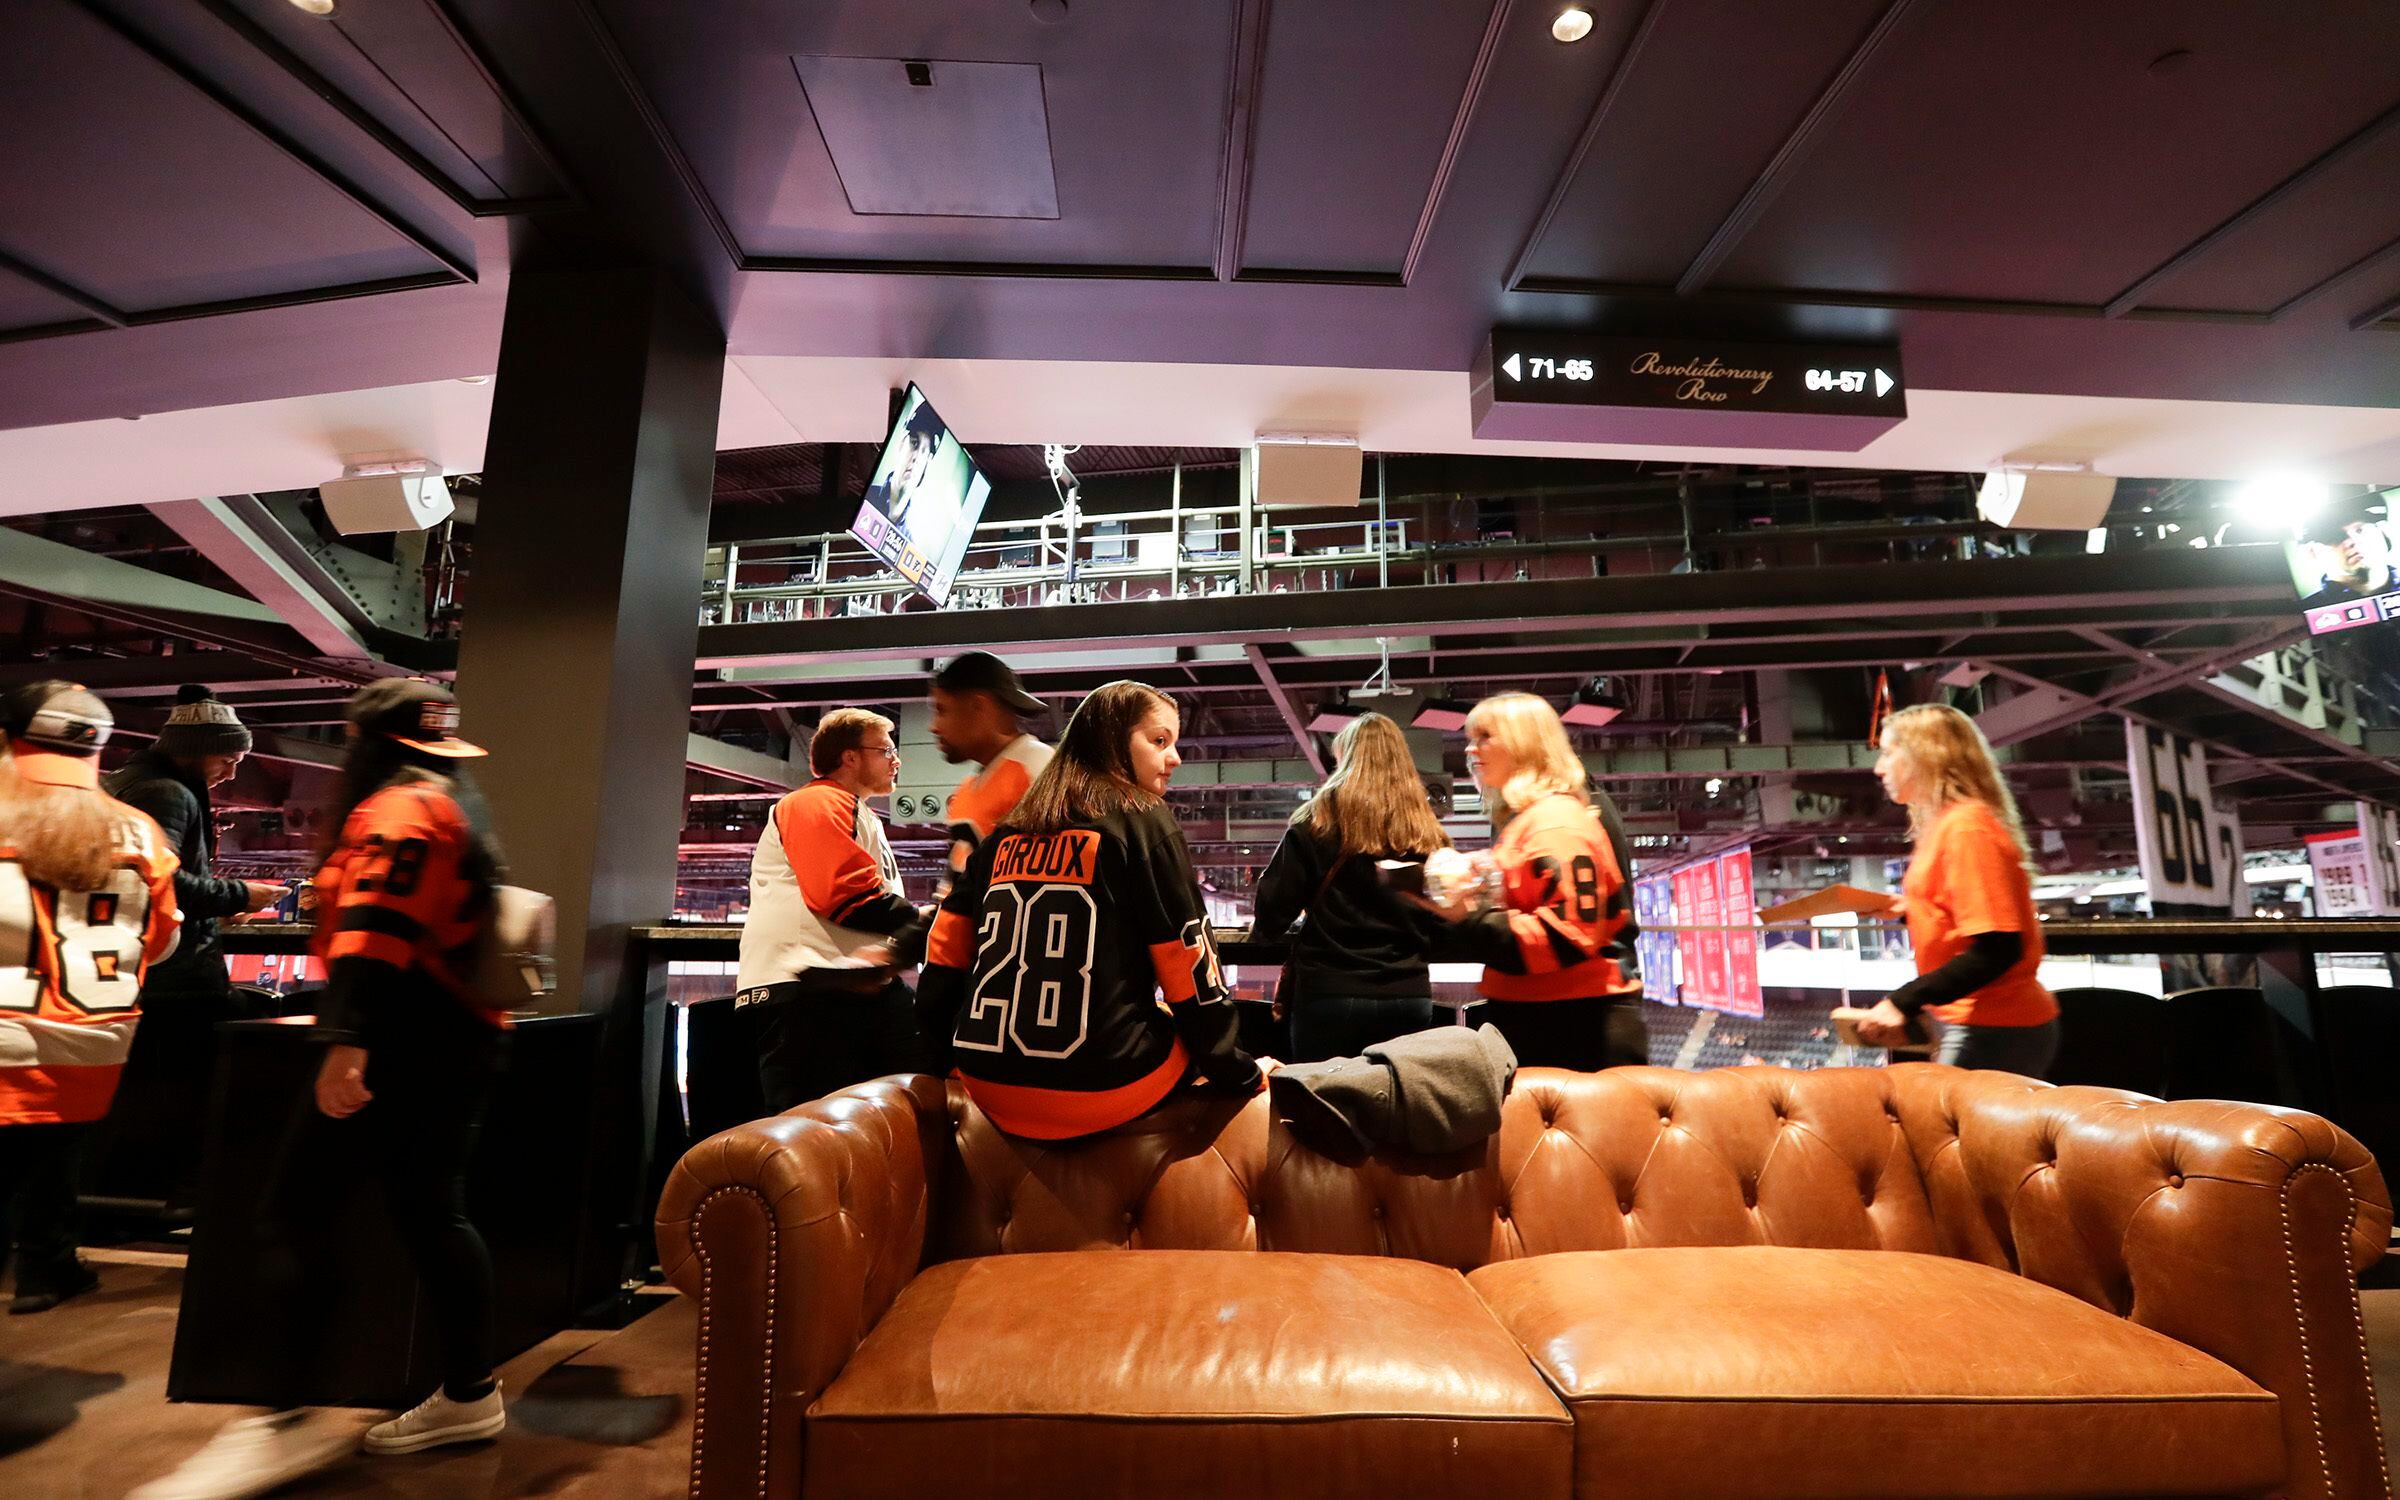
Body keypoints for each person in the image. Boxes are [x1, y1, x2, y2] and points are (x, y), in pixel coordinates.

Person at [132, 679, 514, 1500]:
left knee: (295, 1215)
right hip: (459, 1037)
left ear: (362, 739)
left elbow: (379, 928)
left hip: (401, 1042)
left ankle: (278, 1421)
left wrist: (348, 1041)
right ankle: (470, 1397)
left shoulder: (398, 809)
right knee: (431, 1213)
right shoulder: (450, 800)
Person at [917, 681, 1266, 1140]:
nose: (1175, 757)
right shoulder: (1143, 818)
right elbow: (1186, 964)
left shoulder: (1004, 834)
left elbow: (943, 953)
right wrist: (1239, 1073)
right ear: (1112, 740)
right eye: (1160, 741)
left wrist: (941, 1064)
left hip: (987, 1084)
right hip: (1101, 1088)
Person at [0, 682, 179, 1314]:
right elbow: (158, 947)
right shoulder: (142, 831)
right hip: (92, 1043)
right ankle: (46, 1267)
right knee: (55, 1155)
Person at [97, 684, 282, 1212]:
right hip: (174, 977)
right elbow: (163, 886)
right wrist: (243, 893)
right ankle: (181, 1197)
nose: (233, 772)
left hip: (134, 971)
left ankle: (132, 1197)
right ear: (197, 749)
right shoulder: (167, 793)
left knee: (142, 1100)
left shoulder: (132, 781)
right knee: (184, 1093)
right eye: (230, 758)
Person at [1420, 692, 1645, 1072]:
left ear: (1524, 743)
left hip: (1571, 1025)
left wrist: (1466, 917)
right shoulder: (1532, 819)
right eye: (1470, 739)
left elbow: (1564, 936)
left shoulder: (1553, 821)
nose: (1471, 751)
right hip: (1550, 1016)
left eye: (1485, 737)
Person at [1851, 704, 2060, 1075]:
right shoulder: (1951, 824)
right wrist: (1913, 908)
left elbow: (1998, 948)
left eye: (1887, 753)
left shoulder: (1966, 829)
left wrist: (1902, 1002)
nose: (1878, 768)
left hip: (1994, 1025)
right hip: (1978, 1022)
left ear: (1925, 755)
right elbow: (1964, 916)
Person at [735, 708, 925, 1112]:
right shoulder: (817, 801)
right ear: (850, 757)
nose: (897, 759)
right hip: (809, 993)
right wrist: (921, 923)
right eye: (886, 749)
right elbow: (842, 894)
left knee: (885, 1121)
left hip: (842, 988)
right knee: (813, 1134)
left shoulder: (857, 811)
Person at [1251, 713, 1454, 1062]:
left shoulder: (1315, 822)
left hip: (1330, 994)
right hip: (1407, 995)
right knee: (1394, 1107)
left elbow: (1271, 912)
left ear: (1345, 760)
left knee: (1321, 1106)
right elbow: (1442, 917)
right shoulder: (1427, 833)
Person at [928, 651, 1053, 903]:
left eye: (942, 710)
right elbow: (954, 897)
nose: (934, 726)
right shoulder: (967, 789)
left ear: (979, 706)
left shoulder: (1037, 768)